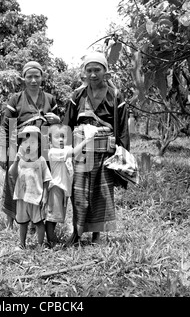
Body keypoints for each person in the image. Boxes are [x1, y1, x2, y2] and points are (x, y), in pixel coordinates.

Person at [62, 52, 130, 246]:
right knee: (79, 193)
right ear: (84, 72)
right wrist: (65, 149)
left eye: (97, 70)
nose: (93, 74)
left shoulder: (115, 96)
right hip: (81, 152)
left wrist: (121, 153)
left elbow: (123, 127)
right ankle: (76, 233)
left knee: (101, 193)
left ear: (105, 72)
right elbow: (67, 122)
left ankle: (96, 236)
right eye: (89, 70)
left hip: (104, 152)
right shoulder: (78, 95)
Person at [0, 61, 61, 229]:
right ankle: (11, 221)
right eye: (29, 76)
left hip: (43, 149)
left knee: (38, 182)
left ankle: (36, 220)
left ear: (42, 77)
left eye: (37, 76)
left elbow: (57, 128)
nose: (33, 80)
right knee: (14, 180)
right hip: (19, 147)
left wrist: (57, 121)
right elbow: (6, 127)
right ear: (23, 78)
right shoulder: (16, 99)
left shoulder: (49, 99)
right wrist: (5, 153)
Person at [45, 123, 96, 247]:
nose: (61, 139)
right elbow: (73, 152)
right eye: (57, 137)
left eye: (63, 136)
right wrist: (88, 140)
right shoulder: (53, 152)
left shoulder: (64, 149)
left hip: (63, 189)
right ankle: (51, 240)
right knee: (52, 217)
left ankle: (53, 239)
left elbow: (73, 150)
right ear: (50, 140)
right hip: (56, 188)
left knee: (58, 216)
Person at [8, 126, 52, 250]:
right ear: (21, 145)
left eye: (32, 142)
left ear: (38, 145)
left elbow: (46, 179)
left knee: (38, 222)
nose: (29, 145)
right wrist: (16, 161)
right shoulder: (20, 161)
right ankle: (21, 244)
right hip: (22, 196)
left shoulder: (41, 161)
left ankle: (40, 244)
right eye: (25, 142)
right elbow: (12, 174)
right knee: (22, 222)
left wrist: (45, 196)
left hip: (36, 197)